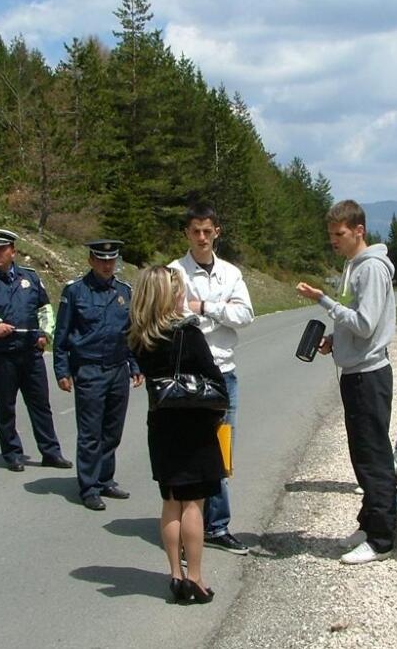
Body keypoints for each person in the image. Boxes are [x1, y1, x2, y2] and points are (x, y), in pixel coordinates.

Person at [296, 200, 397, 565]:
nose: (333, 241)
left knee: (374, 457)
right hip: (355, 371)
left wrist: (322, 300)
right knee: (361, 453)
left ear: (358, 231)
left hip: (369, 375)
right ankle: (369, 524)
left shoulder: (370, 269)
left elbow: (367, 323)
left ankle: (382, 539)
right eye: (330, 235)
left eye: (339, 235)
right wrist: (335, 341)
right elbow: (355, 324)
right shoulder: (352, 266)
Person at [128, 265, 226, 604]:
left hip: (162, 425)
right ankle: (195, 577)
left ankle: (175, 574)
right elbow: (214, 378)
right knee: (194, 505)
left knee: (170, 502)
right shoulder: (189, 334)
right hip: (195, 426)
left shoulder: (141, 337)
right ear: (172, 294)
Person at [167, 204, 253, 556]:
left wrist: (205, 308)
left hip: (223, 372)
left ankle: (217, 526)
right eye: (195, 231)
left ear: (217, 231)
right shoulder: (174, 272)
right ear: (186, 233)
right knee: (189, 451)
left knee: (220, 450)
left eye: (207, 230)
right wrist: (218, 313)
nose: (201, 237)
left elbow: (245, 315)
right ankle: (191, 529)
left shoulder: (230, 273)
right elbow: (171, 316)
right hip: (187, 373)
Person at [0, 228, 72, 472]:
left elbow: (44, 309)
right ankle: (12, 453)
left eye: (1, 249)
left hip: (31, 353)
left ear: (13, 251)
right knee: (6, 405)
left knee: (41, 405)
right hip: (1, 355)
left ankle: (51, 452)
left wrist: (45, 334)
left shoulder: (30, 278)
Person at [53, 240, 144, 511]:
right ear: (91, 260)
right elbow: (62, 335)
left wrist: (136, 366)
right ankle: (89, 487)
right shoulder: (75, 292)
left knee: (112, 430)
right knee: (91, 432)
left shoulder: (124, 292)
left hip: (117, 369)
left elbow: (130, 334)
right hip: (89, 369)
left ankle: (106, 479)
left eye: (111, 260)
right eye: (101, 259)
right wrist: (62, 370)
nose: (107, 265)